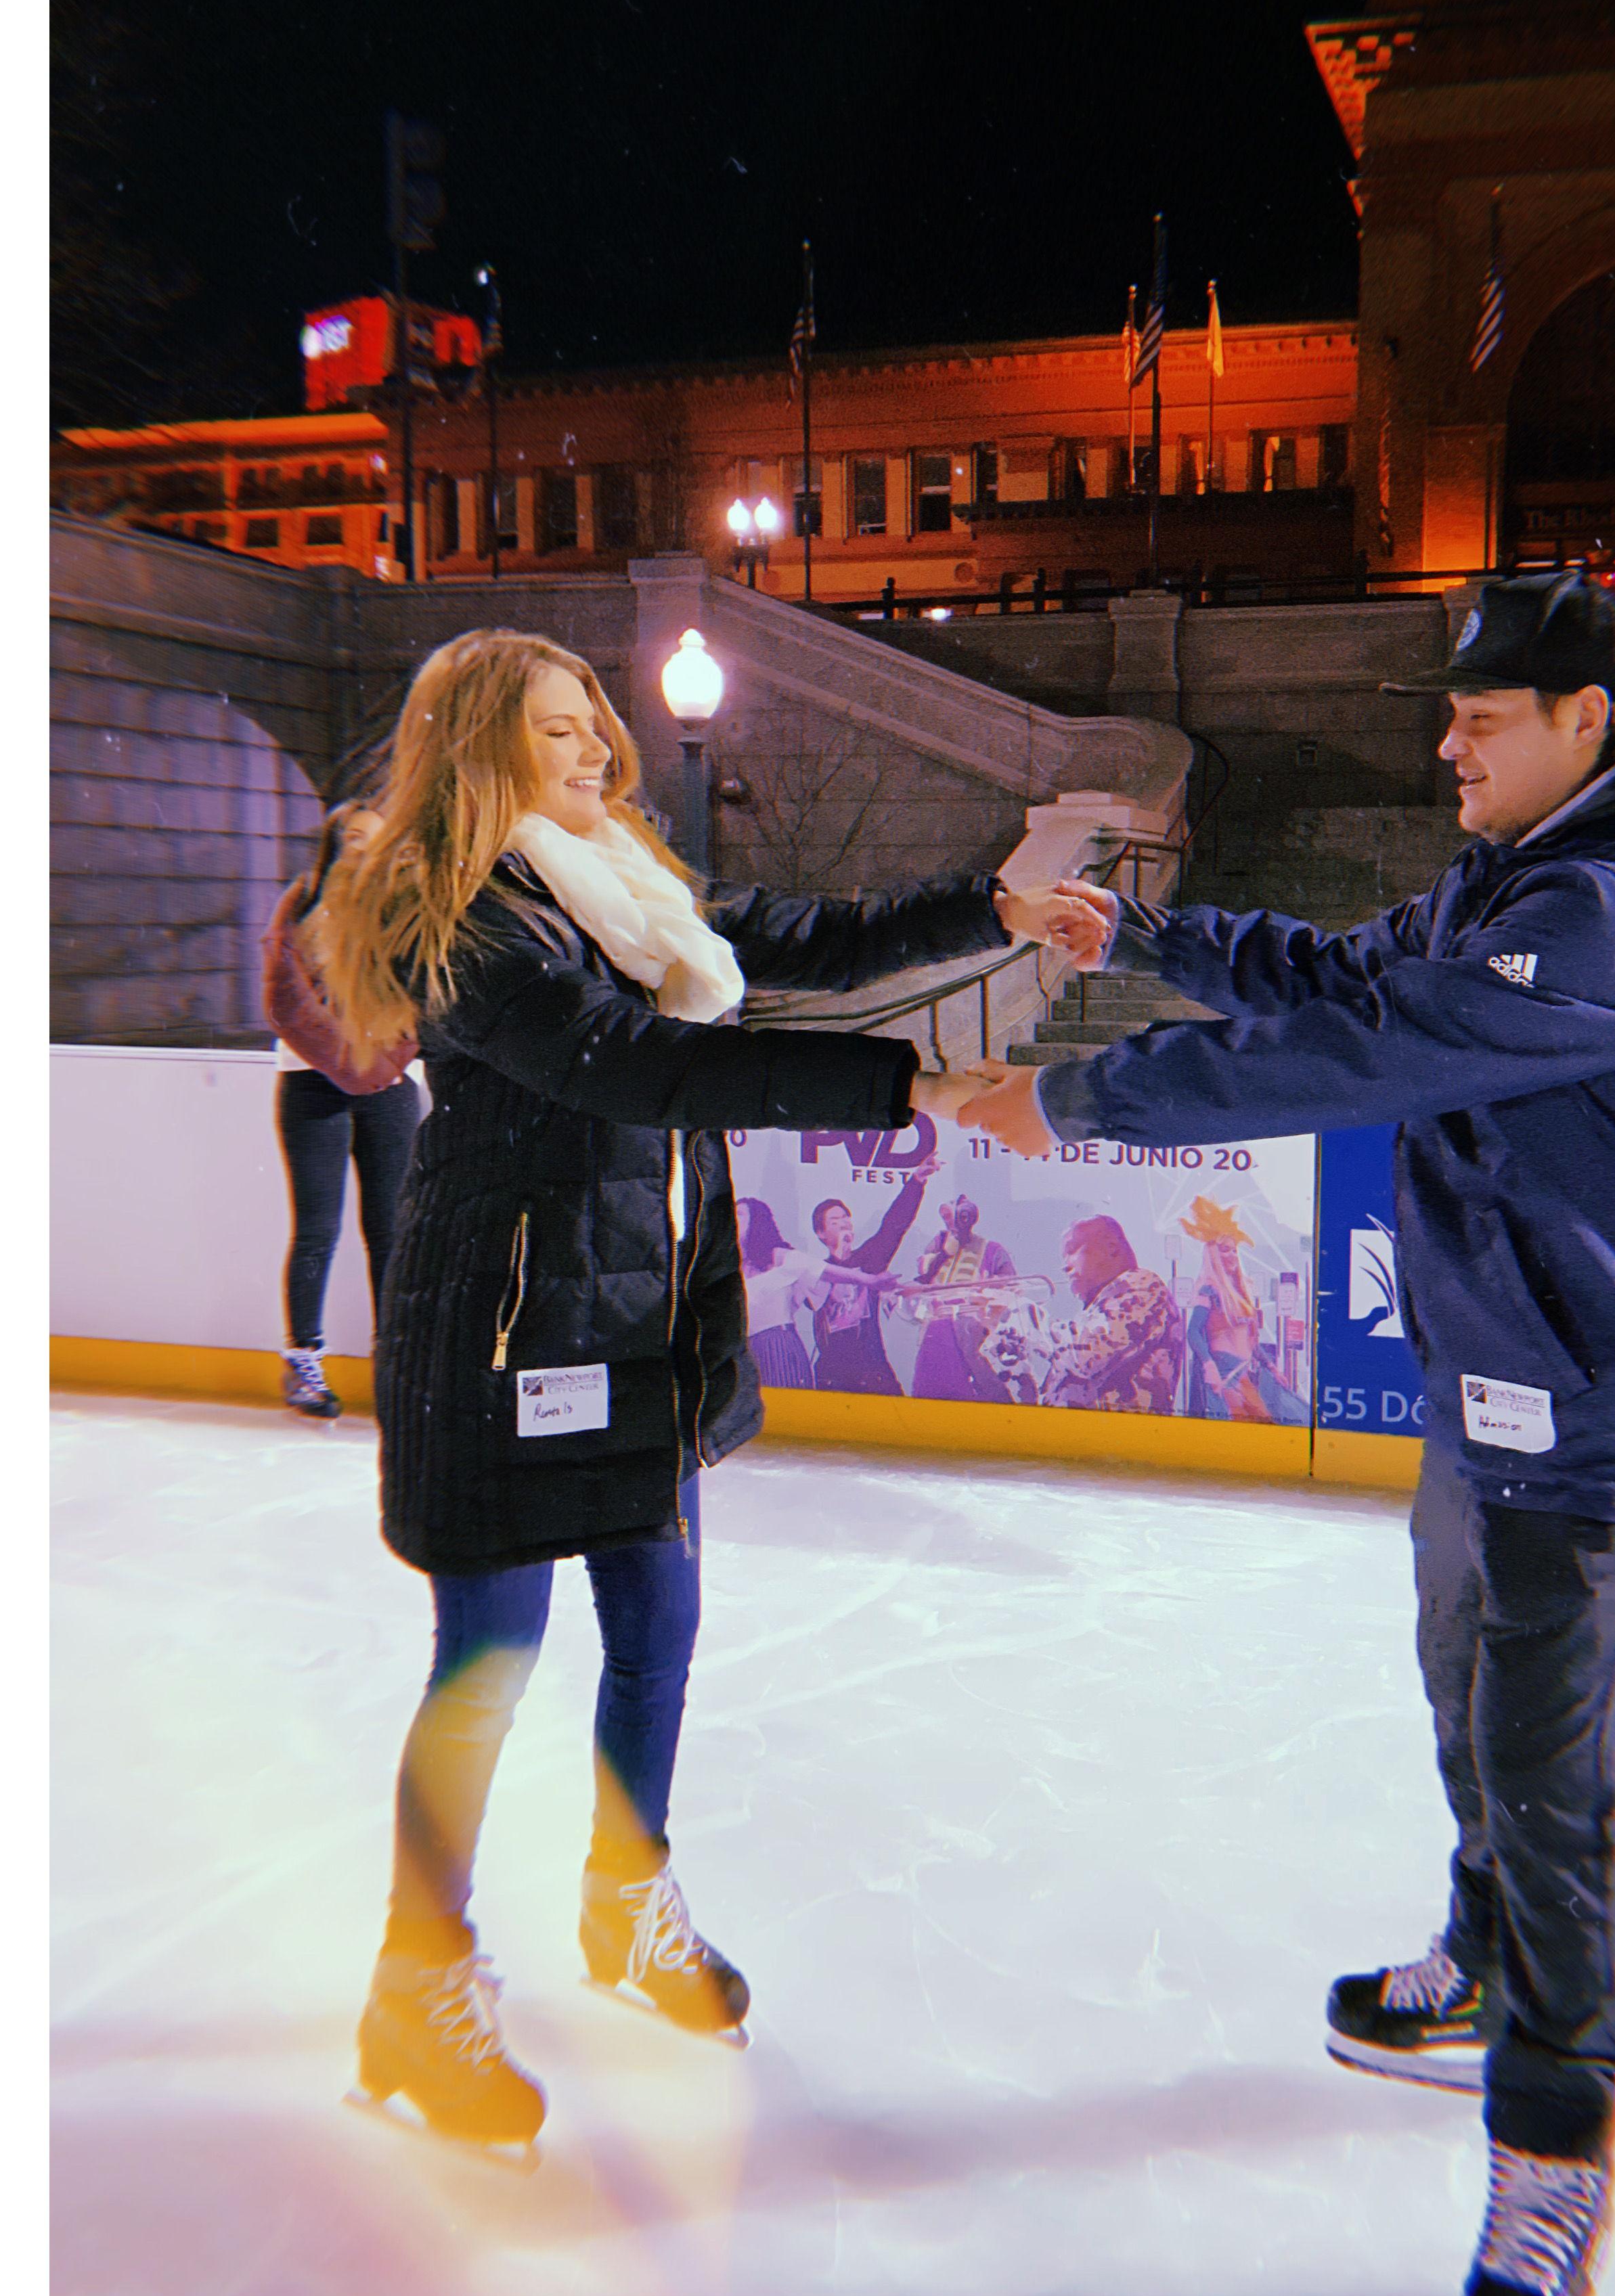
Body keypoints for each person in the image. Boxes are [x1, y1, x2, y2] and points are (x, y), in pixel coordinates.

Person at [958, 571, 1615, 2296]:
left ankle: (1556, 2150)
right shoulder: (1519, 878)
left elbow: (1366, 1053)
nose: (1446, 743)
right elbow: (1349, 973)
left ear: (1592, 720)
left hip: (1606, 1402)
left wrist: (1082, 1105)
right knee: (1467, 1695)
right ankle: (1481, 1959)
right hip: (1493, 1380)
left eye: (1482, 719)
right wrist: (1150, 932)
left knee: (1558, 1779)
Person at [310, 627, 1105, 2151]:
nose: (596, 750)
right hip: (499, 1333)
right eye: (558, 733)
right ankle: (414, 1985)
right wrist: (919, 1089)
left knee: (658, 1625)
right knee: (488, 1661)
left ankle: (628, 1904)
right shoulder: (459, 919)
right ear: (481, 749)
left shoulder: (620, 886)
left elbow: (794, 933)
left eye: (594, 723)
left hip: (641, 1316)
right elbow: (640, 1072)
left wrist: (986, 910)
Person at [261, 803, 422, 1420]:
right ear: (332, 847)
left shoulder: (404, 914)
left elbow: (424, 998)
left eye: (377, 842)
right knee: (317, 1231)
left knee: (390, 1230)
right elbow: (287, 1003)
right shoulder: (300, 909)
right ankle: (303, 1361)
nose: (366, 852)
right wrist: (350, 1064)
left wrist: (383, 1063)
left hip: (390, 1084)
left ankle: (396, 1367)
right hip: (310, 1084)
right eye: (354, 840)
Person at [805, 1165, 935, 1395]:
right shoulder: (817, 1271)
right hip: (832, 1375)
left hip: (872, 1370)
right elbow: (809, 1302)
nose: (844, 1222)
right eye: (835, 1221)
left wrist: (916, 1182)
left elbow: (894, 1226)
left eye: (846, 1218)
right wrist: (839, 1255)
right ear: (821, 1233)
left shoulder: (869, 1260)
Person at [1038, 1215, 1184, 1414]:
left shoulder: (1142, 1285)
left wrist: (1018, 1315)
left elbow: (1085, 1356)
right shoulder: (1099, 1309)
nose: (1065, 1266)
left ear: (1112, 1247)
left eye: (1072, 1251)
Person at [1175, 1196, 1303, 1424]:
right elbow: (1194, 1332)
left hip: (1243, 1370)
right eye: (1225, 1250)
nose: (1232, 1256)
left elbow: (1251, 1341)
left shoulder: (1241, 1293)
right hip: (1225, 1370)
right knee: (1250, 1421)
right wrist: (1209, 1365)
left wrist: (1272, 1367)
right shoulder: (1210, 1290)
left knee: (1262, 1420)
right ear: (1213, 1254)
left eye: (1234, 1250)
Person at [906, 1192, 1019, 1403]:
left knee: (978, 1385)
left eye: (962, 1216)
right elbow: (924, 1275)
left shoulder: (992, 1249)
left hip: (971, 1328)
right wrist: (944, 1253)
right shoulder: (939, 1244)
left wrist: (987, 1296)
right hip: (937, 1324)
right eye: (950, 1217)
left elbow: (1010, 1285)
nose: (956, 1222)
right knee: (930, 1386)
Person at [733, 1197, 820, 1393]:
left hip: (775, 1342)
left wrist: (867, 1280)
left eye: (740, 1214)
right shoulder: (731, 1266)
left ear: (756, 1221)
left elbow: (823, 1274)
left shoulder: (780, 1257)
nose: (733, 1219)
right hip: (742, 1346)